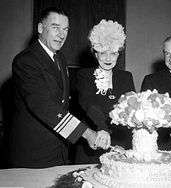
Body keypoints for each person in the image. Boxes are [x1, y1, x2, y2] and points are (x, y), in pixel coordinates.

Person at [7, 7, 110, 168]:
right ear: (41, 28)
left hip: (58, 149)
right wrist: (87, 133)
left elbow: (65, 103)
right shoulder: (26, 61)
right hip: (32, 153)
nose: (61, 35)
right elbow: (45, 107)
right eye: (55, 28)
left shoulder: (60, 58)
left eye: (65, 29)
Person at [74, 20, 135, 164]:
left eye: (113, 53)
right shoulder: (84, 75)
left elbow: (131, 109)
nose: (108, 58)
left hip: (119, 145)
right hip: (93, 142)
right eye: (103, 53)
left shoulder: (126, 77)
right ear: (95, 53)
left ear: (119, 53)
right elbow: (89, 104)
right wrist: (102, 128)